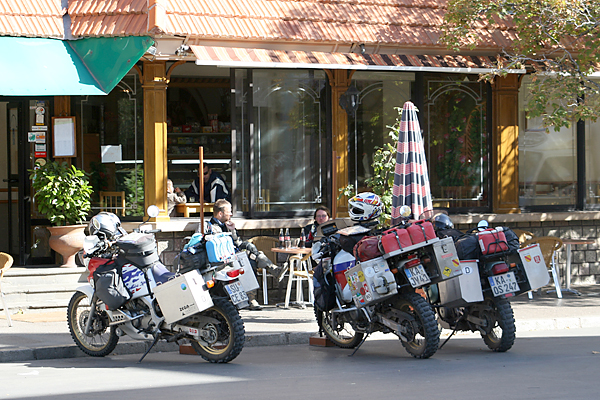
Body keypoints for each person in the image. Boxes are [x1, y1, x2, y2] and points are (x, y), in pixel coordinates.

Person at [198, 199, 283, 310]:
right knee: (249, 259)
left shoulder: (227, 225)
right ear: (220, 213)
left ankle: (252, 298)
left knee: (252, 259)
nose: (231, 214)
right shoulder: (208, 226)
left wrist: (233, 230)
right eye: (229, 212)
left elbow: (237, 243)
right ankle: (272, 272)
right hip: (219, 261)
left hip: (234, 257)